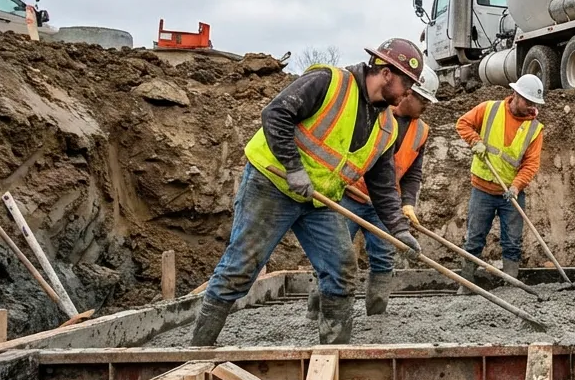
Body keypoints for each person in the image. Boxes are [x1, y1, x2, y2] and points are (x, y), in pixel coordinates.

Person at [190, 38, 425, 346]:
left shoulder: (386, 127)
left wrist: (397, 228)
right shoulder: (330, 82)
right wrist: (293, 167)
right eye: (407, 83)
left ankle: (334, 351)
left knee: (341, 268)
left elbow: (382, 186)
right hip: (271, 184)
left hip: (317, 200)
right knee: (241, 268)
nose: (409, 93)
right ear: (385, 73)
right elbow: (275, 114)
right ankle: (199, 347)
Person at [306, 66, 440, 324]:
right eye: (423, 100)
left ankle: (376, 316)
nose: (426, 106)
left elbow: (412, 174)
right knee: (331, 256)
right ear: (408, 93)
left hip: (383, 204)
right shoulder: (375, 114)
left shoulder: (422, 131)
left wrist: (408, 203)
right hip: (349, 195)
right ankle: (316, 311)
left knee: (383, 257)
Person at [455, 73, 545, 286]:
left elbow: (531, 164)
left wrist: (516, 186)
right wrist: (475, 141)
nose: (530, 107)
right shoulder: (489, 109)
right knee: (474, 238)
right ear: (515, 94)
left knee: (513, 242)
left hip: (511, 193)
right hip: (482, 189)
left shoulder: (534, 129)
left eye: (533, 103)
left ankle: (511, 285)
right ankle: (466, 284)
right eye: (527, 101)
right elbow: (463, 124)